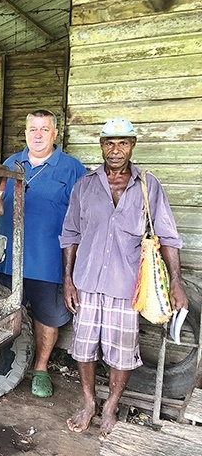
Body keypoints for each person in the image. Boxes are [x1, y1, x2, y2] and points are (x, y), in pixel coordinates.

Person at [60, 118, 188, 440]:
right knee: (83, 348)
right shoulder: (85, 186)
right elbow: (70, 235)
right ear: (101, 145)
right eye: (109, 143)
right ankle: (89, 402)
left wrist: (177, 281)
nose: (115, 150)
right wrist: (68, 280)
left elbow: (168, 236)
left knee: (122, 352)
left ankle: (110, 406)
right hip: (87, 281)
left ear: (132, 145)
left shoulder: (148, 185)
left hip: (127, 286)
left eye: (122, 143)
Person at [0, 109, 87, 398]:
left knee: (46, 318)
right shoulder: (11, 164)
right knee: (3, 314)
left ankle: (41, 369)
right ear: (25, 133)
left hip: (49, 263)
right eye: (33, 129)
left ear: (55, 134)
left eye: (44, 129)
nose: (38, 134)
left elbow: (84, 217)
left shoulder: (72, 169)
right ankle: (2, 367)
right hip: (8, 262)